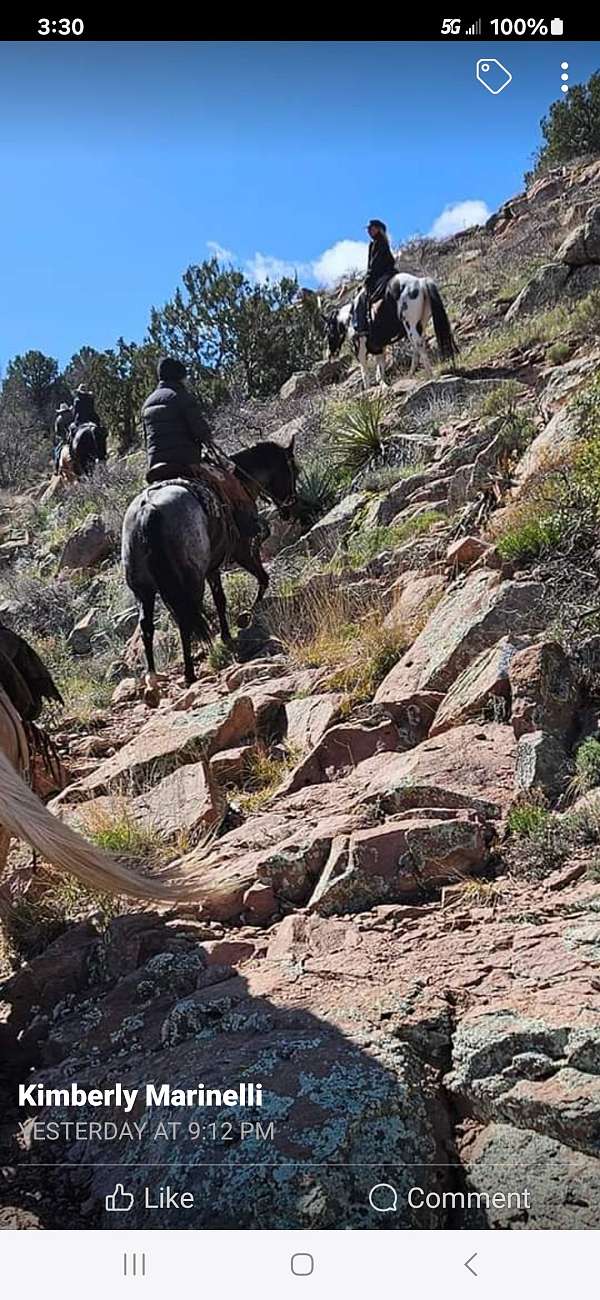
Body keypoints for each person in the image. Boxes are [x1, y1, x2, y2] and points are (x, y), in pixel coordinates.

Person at [141, 357, 260, 539]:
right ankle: (248, 532)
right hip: (186, 462)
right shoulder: (181, 396)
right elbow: (200, 431)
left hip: (155, 467)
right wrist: (206, 439)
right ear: (179, 377)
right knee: (231, 484)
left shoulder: (147, 404)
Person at [354, 219, 397, 335]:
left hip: (380, 276)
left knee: (360, 298)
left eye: (371, 228)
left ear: (377, 229)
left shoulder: (376, 244)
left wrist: (367, 279)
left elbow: (373, 265)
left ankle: (360, 326)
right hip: (390, 273)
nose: (368, 231)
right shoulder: (383, 242)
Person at [53, 402, 73, 473]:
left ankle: (56, 468)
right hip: (71, 437)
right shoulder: (72, 416)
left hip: (66, 438)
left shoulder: (59, 419)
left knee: (57, 451)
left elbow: (57, 432)